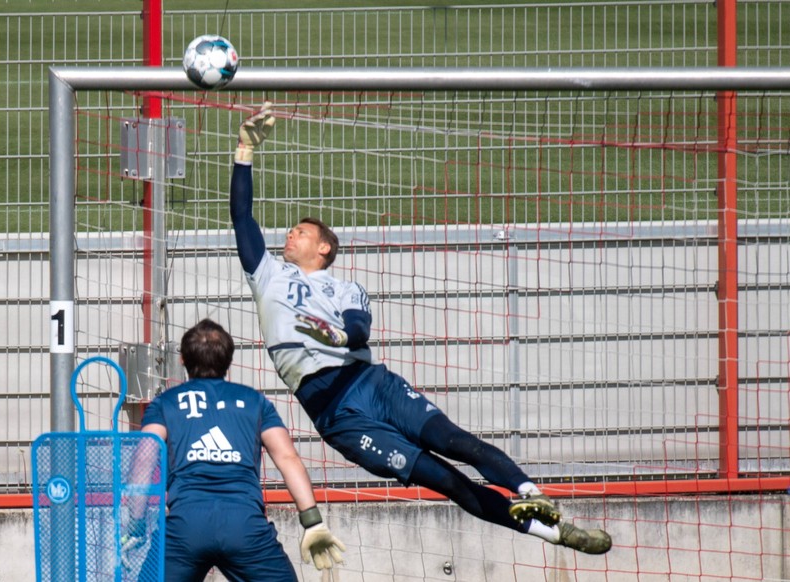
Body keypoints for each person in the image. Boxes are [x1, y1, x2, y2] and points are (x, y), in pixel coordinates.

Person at [228, 102, 612, 555]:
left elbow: (359, 329)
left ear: (325, 247)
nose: (290, 236)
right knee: (445, 481)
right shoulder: (266, 274)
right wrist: (244, 150)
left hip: (370, 383)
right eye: (291, 231)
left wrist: (337, 338)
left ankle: (532, 494)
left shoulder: (345, 287)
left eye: (301, 231)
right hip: (333, 413)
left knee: (454, 441)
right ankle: (555, 534)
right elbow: (242, 215)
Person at [126, 318, 345, 582]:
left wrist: (136, 524)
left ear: (182, 359)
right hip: (245, 526)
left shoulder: (164, 404)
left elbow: (143, 461)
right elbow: (288, 458)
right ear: (229, 360)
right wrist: (312, 521)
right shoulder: (255, 402)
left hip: (186, 526)